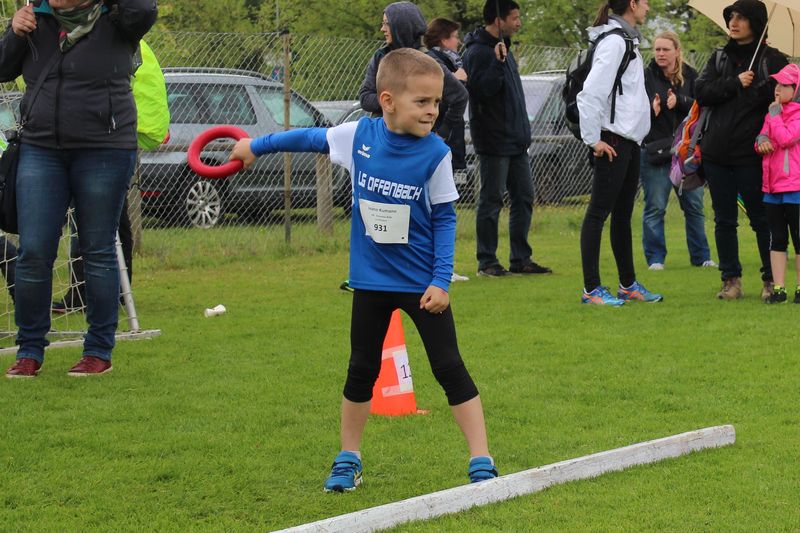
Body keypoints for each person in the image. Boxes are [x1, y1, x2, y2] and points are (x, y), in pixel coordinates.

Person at [230, 48, 497, 491]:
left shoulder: (436, 153)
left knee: (449, 367)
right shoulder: (358, 137)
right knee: (361, 370)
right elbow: (309, 138)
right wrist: (254, 146)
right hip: (371, 282)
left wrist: (440, 279)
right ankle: (348, 458)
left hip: (421, 286)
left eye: (436, 102)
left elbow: (446, 219)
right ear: (387, 100)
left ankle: (481, 459)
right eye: (422, 101)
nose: (433, 110)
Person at [0, 0, 157, 378]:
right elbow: (3, 69)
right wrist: (14, 31)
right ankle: (29, 349)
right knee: (34, 252)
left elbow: (146, 10)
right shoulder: (34, 17)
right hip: (40, 148)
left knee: (97, 250)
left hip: (105, 147)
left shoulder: (118, 16)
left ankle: (98, 350)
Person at [695, 0, 788, 301]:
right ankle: (730, 280)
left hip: (755, 154)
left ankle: (770, 280)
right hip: (716, 153)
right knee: (724, 220)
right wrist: (735, 82)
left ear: (756, 22)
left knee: (762, 219)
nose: (733, 23)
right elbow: (701, 91)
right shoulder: (719, 57)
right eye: (731, 17)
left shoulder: (774, 60)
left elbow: (786, 98)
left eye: (741, 17)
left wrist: (758, 89)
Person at [576, 0, 662, 306]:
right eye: (645, 2)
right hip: (612, 140)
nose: (648, 7)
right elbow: (590, 93)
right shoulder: (614, 42)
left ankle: (628, 285)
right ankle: (591, 289)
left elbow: (624, 95)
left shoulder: (628, 41)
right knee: (598, 213)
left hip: (630, 141)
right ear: (632, 4)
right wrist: (593, 139)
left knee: (623, 215)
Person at [462, 0, 551, 277]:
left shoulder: (504, 49)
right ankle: (487, 260)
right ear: (499, 21)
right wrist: (497, 63)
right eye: (514, 18)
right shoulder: (478, 52)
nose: (519, 22)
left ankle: (520, 258)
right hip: (494, 141)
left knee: (524, 197)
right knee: (491, 201)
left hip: (516, 141)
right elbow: (483, 91)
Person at [641, 31, 716, 271]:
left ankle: (701, 257)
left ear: (677, 51)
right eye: (657, 49)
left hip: (686, 152)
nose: (660, 54)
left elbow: (703, 107)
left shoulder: (692, 76)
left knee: (694, 207)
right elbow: (632, 106)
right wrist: (648, 107)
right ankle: (655, 259)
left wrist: (681, 101)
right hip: (656, 150)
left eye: (665, 49)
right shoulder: (645, 76)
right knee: (655, 207)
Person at [358, 1, 467, 149]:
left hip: (417, 146)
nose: (382, 29)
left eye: (387, 23)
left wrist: (442, 133)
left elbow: (460, 97)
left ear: (402, 26)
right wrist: (401, 101)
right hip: (383, 142)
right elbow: (365, 98)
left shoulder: (428, 62)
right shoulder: (381, 56)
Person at [755, 64, 800, 304]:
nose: (778, 88)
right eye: (777, 84)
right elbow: (762, 138)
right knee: (777, 239)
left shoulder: (796, 114)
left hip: (795, 188)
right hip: (772, 188)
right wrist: (761, 140)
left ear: (796, 89)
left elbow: (785, 138)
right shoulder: (772, 113)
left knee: (798, 239)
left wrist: (774, 117)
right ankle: (779, 289)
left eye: (784, 85)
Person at [424, 17, 467, 173]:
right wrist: (458, 82)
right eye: (455, 36)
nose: (459, 42)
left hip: (452, 140)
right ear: (443, 39)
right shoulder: (432, 63)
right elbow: (435, 99)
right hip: (438, 138)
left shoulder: (453, 62)